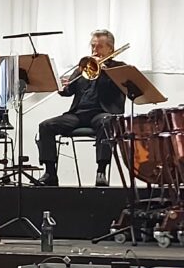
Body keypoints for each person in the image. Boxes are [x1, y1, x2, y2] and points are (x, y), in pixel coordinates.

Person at [37, 30, 126, 187]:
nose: (94, 50)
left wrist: (105, 71)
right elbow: (68, 91)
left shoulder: (119, 68)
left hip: (102, 113)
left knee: (106, 122)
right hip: (78, 114)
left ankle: (101, 171)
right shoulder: (84, 67)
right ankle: (50, 172)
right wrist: (60, 86)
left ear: (110, 49)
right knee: (45, 126)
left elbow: (120, 90)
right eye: (93, 46)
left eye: (99, 47)